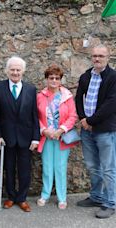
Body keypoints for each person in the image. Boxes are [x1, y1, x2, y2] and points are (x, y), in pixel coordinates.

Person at [0, 56, 40, 212]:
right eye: (12, 69)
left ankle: (22, 198)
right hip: (7, 138)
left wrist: (35, 138)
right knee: (9, 168)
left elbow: (35, 115)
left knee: (25, 169)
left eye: (18, 70)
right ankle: (11, 197)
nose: (15, 72)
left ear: (23, 71)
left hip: (26, 137)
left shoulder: (31, 89)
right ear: (7, 71)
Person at [75, 44, 116, 219]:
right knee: (93, 167)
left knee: (108, 168)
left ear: (108, 57)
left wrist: (91, 121)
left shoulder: (113, 77)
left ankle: (110, 203)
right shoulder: (86, 76)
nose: (97, 59)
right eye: (94, 56)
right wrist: (83, 119)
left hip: (105, 130)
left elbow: (111, 103)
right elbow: (78, 98)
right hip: (87, 129)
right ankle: (96, 196)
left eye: (101, 56)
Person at [36, 64, 78, 210]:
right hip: (47, 137)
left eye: (57, 78)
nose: (54, 80)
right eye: (51, 78)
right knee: (47, 167)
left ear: (61, 80)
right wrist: (44, 130)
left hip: (61, 137)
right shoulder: (40, 96)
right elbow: (36, 116)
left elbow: (73, 116)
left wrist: (61, 130)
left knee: (60, 168)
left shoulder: (67, 96)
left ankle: (62, 197)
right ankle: (45, 194)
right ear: (46, 79)